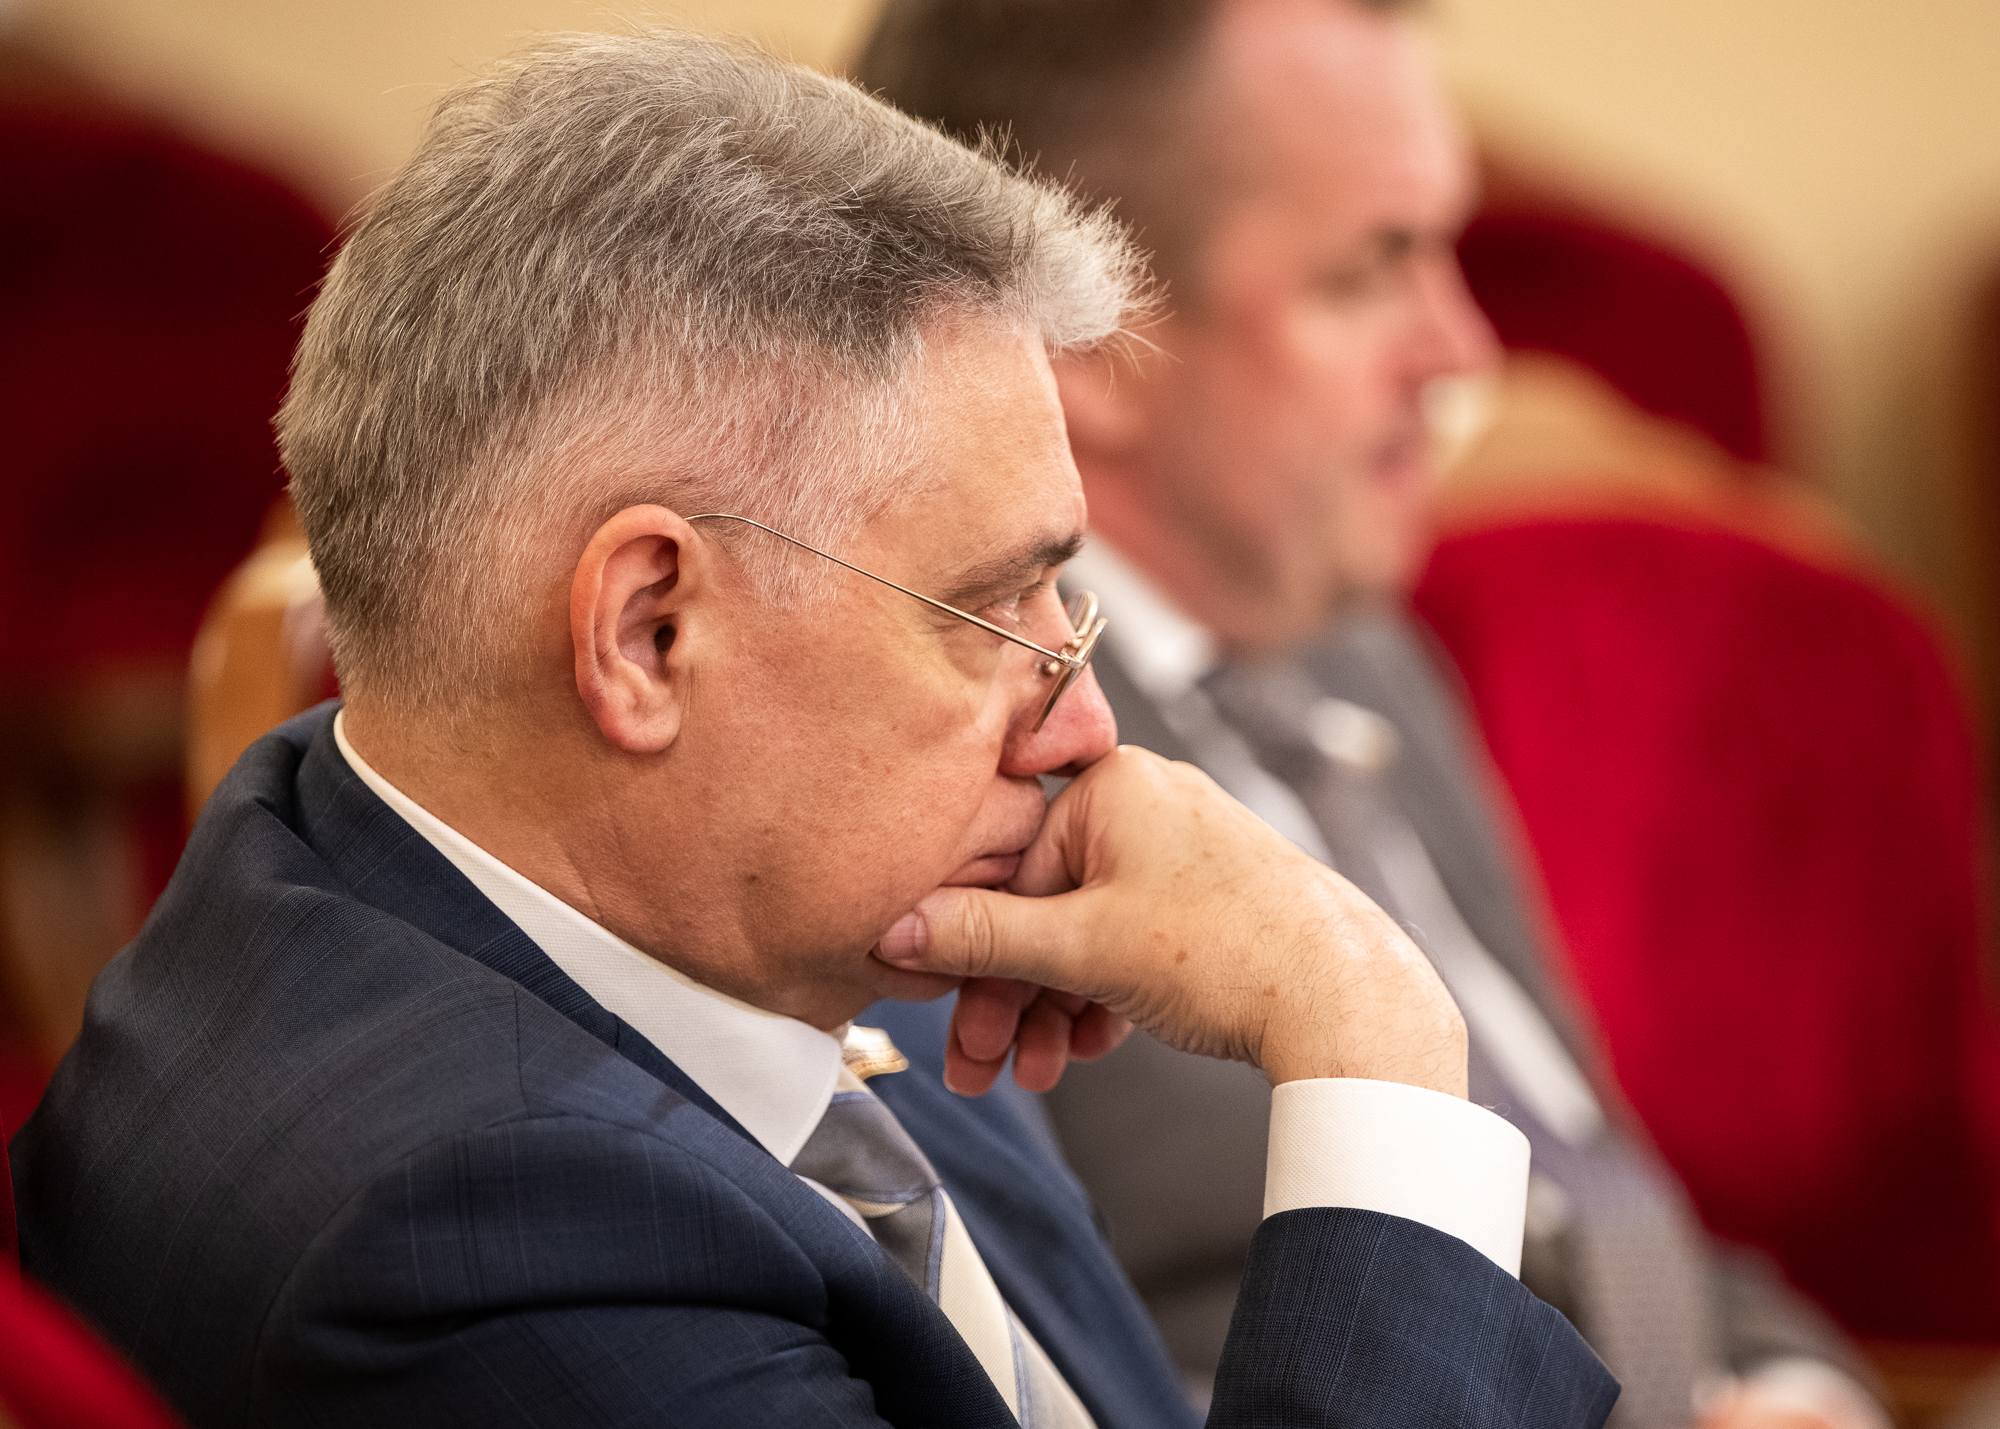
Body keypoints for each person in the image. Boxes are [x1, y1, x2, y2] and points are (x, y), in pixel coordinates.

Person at [7, 30, 1616, 1429]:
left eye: (1068, 597)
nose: (1087, 722)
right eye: (994, 613)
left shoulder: (685, 894)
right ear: (650, 632)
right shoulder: (476, 1245)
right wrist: (1372, 1048)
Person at [853, 3, 1886, 1428]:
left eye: (1447, 251)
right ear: (1093, 338)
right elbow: (1049, 1372)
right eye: (1368, 270)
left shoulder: (1361, 657)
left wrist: (1802, 1388)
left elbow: (1597, 1190)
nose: (1465, 352)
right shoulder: (961, 744)